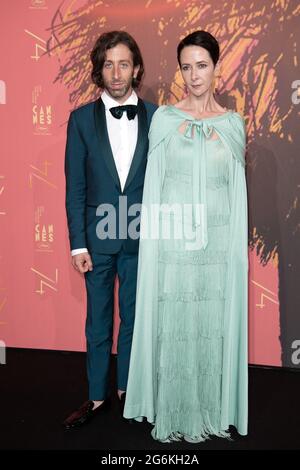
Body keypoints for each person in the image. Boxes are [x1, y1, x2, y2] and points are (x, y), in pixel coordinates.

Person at [124, 30, 248, 443]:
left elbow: (238, 198)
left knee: (211, 328)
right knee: (176, 328)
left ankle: (212, 407)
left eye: (202, 65)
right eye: (187, 67)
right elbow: (154, 189)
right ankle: (175, 409)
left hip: (215, 251)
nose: (194, 76)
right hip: (173, 250)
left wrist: (233, 256)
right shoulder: (164, 120)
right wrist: (154, 250)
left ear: (216, 66)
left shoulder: (233, 126)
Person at [63, 30, 157, 429]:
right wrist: (76, 245)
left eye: (123, 63)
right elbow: (75, 187)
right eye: (108, 64)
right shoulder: (81, 119)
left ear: (136, 68)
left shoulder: (158, 116)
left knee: (135, 318)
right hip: (97, 239)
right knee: (98, 321)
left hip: (142, 236)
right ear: (99, 70)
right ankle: (98, 396)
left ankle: (130, 393)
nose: (116, 72)